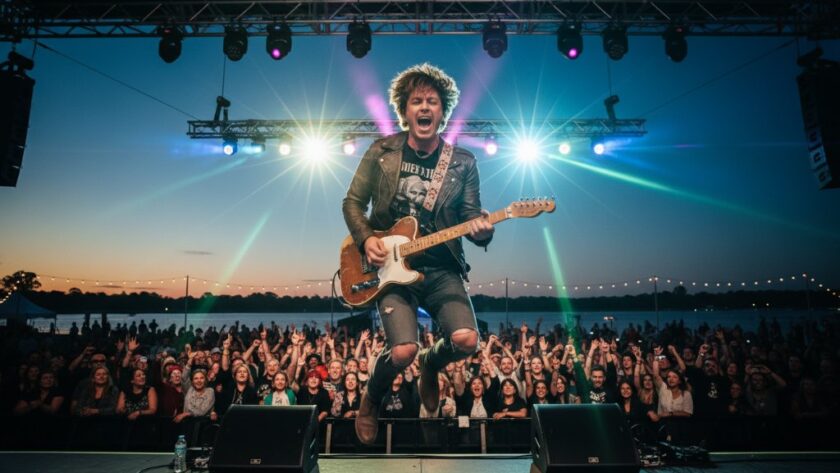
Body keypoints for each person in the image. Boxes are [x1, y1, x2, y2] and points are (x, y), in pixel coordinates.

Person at [342, 63, 494, 444]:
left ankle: (433, 362)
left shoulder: (463, 163)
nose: (424, 107)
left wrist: (483, 230)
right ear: (405, 110)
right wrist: (366, 240)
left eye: (432, 101)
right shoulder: (382, 151)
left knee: (465, 340)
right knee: (403, 350)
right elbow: (352, 203)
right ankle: (372, 396)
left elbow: (471, 218)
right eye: (416, 101)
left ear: (443, 111)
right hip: (390, 269)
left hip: (442, 266)